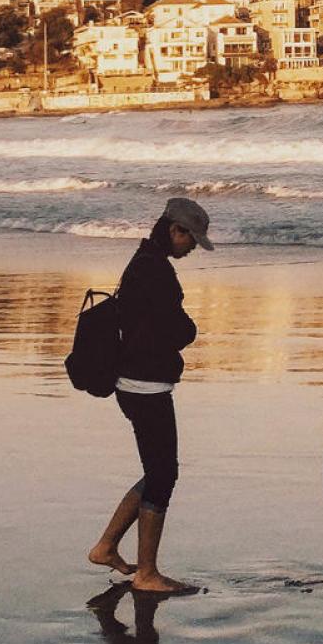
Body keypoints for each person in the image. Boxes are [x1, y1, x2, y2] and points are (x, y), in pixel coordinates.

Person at [87, 197, 213, 596]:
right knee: (164, 474)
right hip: (146, 385)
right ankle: (147, 573)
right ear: (175, 231)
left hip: (133, 382)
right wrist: (188, 329)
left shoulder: (141, 261)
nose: (193, 247)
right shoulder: (156, 271)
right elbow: (177, 330)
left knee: (157, 471)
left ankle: (107, 547)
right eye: (191, 239)